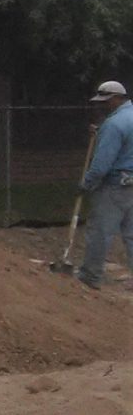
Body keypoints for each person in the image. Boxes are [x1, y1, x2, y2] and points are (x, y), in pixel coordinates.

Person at [76, 79, 133, 290]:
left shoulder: (114, 124)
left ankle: (90, 276)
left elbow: (102, 164)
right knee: (131, 234)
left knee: (101, 231)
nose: (102, 105)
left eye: (106, 101)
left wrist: (87, 183)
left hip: (114, 186)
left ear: (118, 98)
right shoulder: (125, 119)